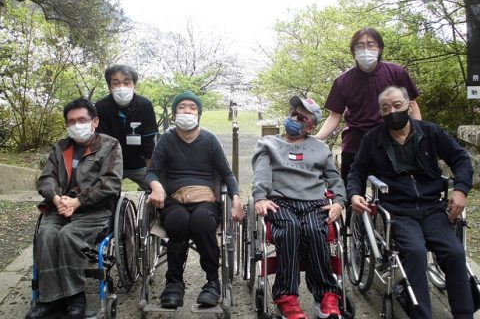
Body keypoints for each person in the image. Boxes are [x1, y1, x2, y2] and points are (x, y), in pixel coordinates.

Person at [347, 86, 474, 319]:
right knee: (414, 253)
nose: (392, 111)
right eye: (386, 108)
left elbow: (460, 159)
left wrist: (461, 190)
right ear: (380, 113)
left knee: (455, 252)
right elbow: (357, 171)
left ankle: (464, 314)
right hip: (398, 210)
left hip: (433, 207)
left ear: (409, 105)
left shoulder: (430, 132)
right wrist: (354, 194)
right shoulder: (373, 139)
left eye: (397, 105)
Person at [145, 91, 245, 309]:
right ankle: (174, 283)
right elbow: (151, 172)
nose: (187, 111)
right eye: (182, 107)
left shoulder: (209, 140)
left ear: (198, 113)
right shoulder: (166, 139)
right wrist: (156, 185)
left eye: (192, 107)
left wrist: (236, 200)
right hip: (174, 199)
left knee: (202, 222)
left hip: (204, 199)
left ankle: (212, 282)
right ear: (174, 114)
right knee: (176, 222)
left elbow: (227, 174)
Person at [252, 95, 347, 319]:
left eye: (302, 117)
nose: (295, 118)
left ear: (311, 125)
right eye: (294, 113)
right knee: (290, 229)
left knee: (315, 231)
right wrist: (260, 198)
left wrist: (340, 203)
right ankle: (286, 297)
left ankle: (326, 294)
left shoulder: (320, 148)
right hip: (280, 201)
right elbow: (262, 175)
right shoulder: (268, 144)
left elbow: (335, 180)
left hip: (314, 202)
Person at [26, 98, 122, 319]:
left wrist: (79, 201)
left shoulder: (110, 145)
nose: (76, 125)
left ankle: (75, 297)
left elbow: (111, 181)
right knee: (47, 234)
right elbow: (47, 178)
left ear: (94, 121)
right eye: (71, 121)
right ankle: (51, 299)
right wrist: (56, 197)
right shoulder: (60, 147)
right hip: (60, 208)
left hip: (95, 210)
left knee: (68, 236)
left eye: (82, 120)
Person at [316, 27, 421, 182]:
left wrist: (418, 134)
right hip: (354, 144)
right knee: (351, 192)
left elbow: (412, 104)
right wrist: (317, 138)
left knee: (392, 195)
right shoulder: (342, 81)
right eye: (360, 46)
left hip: (391, 142)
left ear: (380, 48)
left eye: (370, 45)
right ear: (353, 52)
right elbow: (335, 115)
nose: (365, 49)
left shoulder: (396, 72)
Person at [95, 64, 157, 190]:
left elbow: (149, 143)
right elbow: (101, 143)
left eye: (127, 83)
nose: (121, 87)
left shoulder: (145, 105)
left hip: (140, 165)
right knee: (100, 194)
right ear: (109, 87)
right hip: (112, 166)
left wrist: (152, 175)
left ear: (134, 85)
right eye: (116, 83)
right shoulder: (101, 107)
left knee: (159, 190)